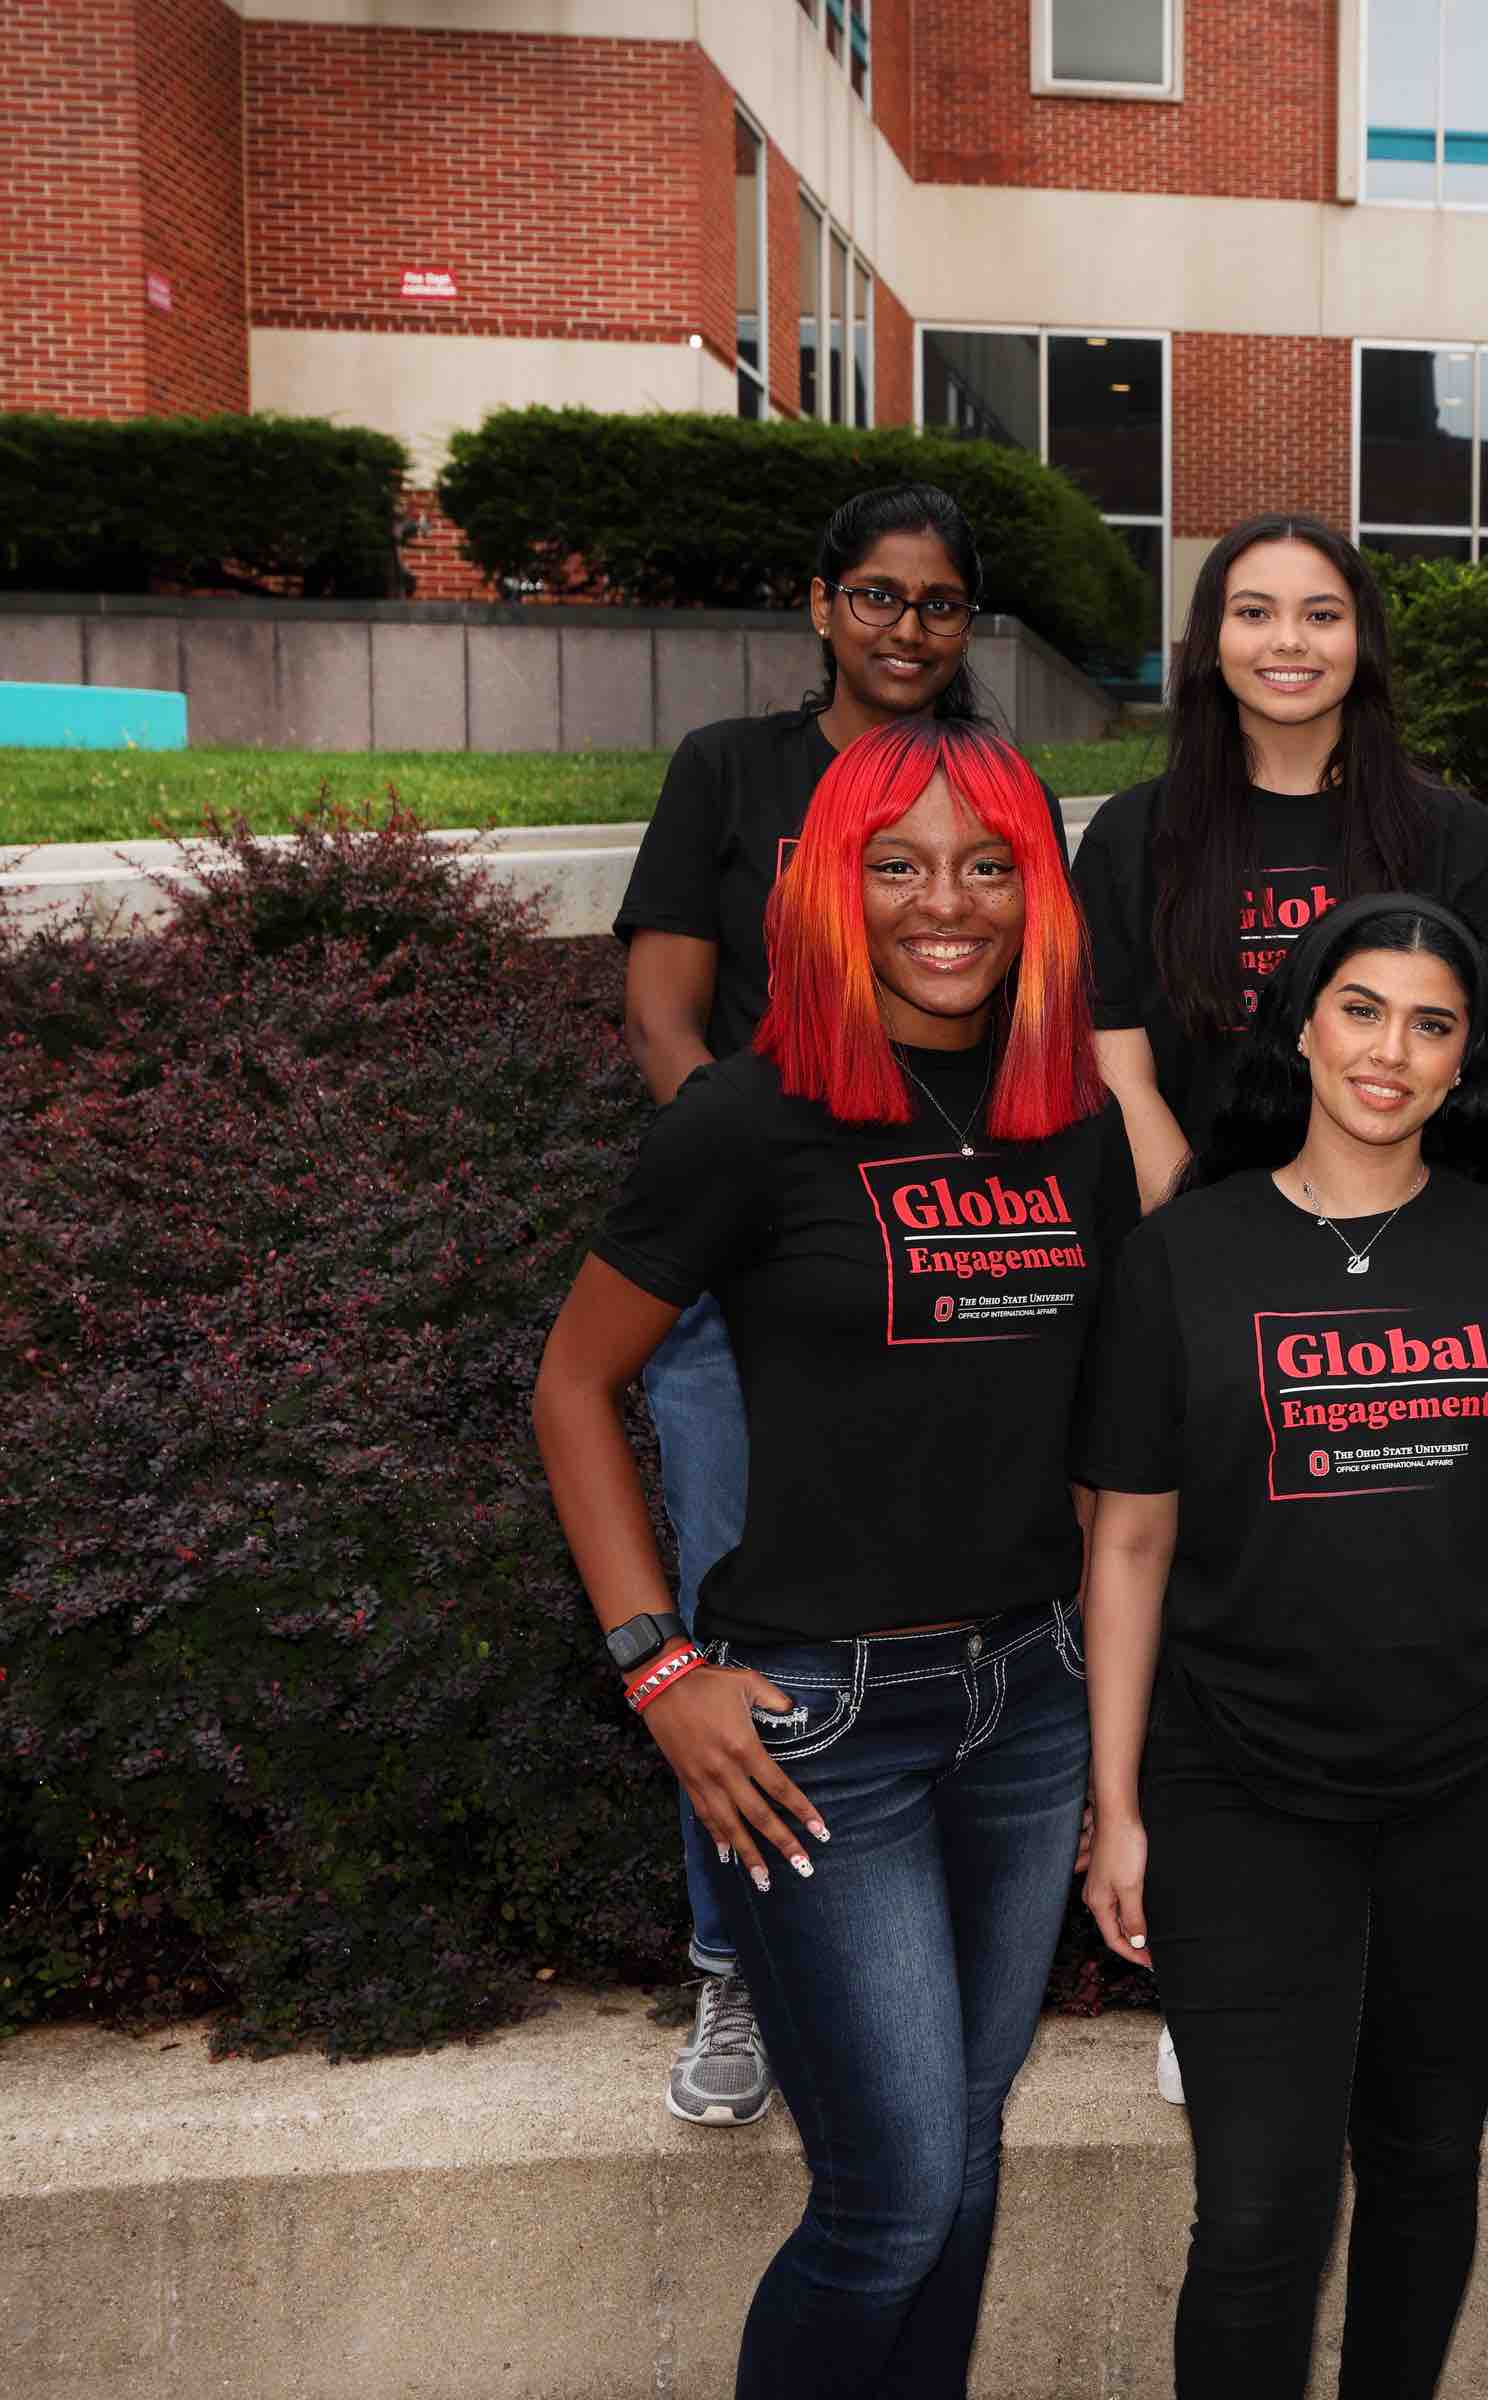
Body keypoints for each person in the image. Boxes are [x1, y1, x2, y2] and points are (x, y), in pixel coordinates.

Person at [533, 717, 1134, 2399]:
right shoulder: (748, 1121)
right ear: (829, 893)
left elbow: (1099, 1453)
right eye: (899, 865)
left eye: (988, 865)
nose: (946, 903)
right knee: (888, 2200)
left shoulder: (1076, 1129)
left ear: (1039, 897)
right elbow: (575, 1384)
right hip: (815, 1730)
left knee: (967, 2157)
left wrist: (1110, 1707)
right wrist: (658, 1666)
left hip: (1025, 1704)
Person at [1073, 892, 1488, 2399]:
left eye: (1433, 1025)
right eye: (1364, 1009)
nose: (1393, 1050)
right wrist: (1115, 1804)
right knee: (1259, 2211)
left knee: (1424, 2165)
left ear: (1469, 1064)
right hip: (1239, 1789)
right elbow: (1127, 1541)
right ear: (1303, 1025)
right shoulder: (1183, 1256)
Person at [605, 480, 998, 2129]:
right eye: (880, 596)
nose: (908, 627)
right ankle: (733, 1966)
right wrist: (758, 1176)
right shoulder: (733, 772)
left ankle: (938, 1952)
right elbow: (662, 1005)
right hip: (750, 1270)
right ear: (821, 603)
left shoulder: (990, 783)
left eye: (939, 603)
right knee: (731, 1596)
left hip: (950, 1261)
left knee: (956, 1601)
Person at [1073, 513, 1488, 1214]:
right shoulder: (1130, 836)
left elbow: (1479, 1066)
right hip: (1192, 1234)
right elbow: (1119, 1071)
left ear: (1360, 639)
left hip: (1410, 1242)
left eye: (1321, 614)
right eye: (1254, 612)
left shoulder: (1454, 835)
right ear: (1211, 640)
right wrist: (1207, 1230)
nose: (1289, 640)